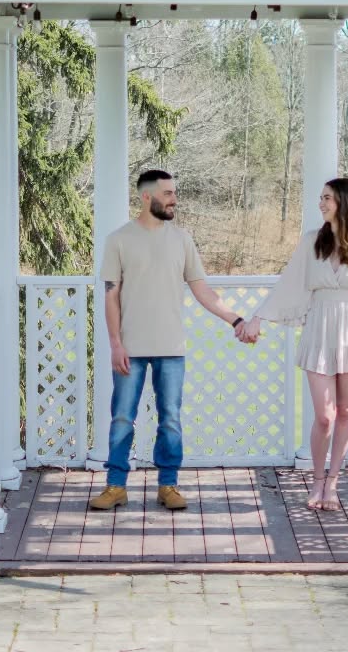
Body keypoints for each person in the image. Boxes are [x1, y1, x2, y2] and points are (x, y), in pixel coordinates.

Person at [88, 170, 248, 512]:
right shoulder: (118, 239)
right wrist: (115, 343)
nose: (174, 198)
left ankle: (168, 485)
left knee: (170, 418)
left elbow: (202, 290)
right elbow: (110, 295)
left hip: (171, 349)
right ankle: (115, 486)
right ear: (147, 197)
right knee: (121, 417)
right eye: (168, 193)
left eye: (175, 192)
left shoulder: (182, 240)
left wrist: (235, 318)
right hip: (130, 348)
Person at [240, 177, 348, 511]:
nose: (321, 203)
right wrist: (258, 318)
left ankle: (334, 484)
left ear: (345, 202)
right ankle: (317, 480)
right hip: (320, 329)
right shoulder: (313, 242)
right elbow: (288, 286)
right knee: (324, 415)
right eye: (320, 197)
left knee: (346, 410)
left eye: (327, 198)